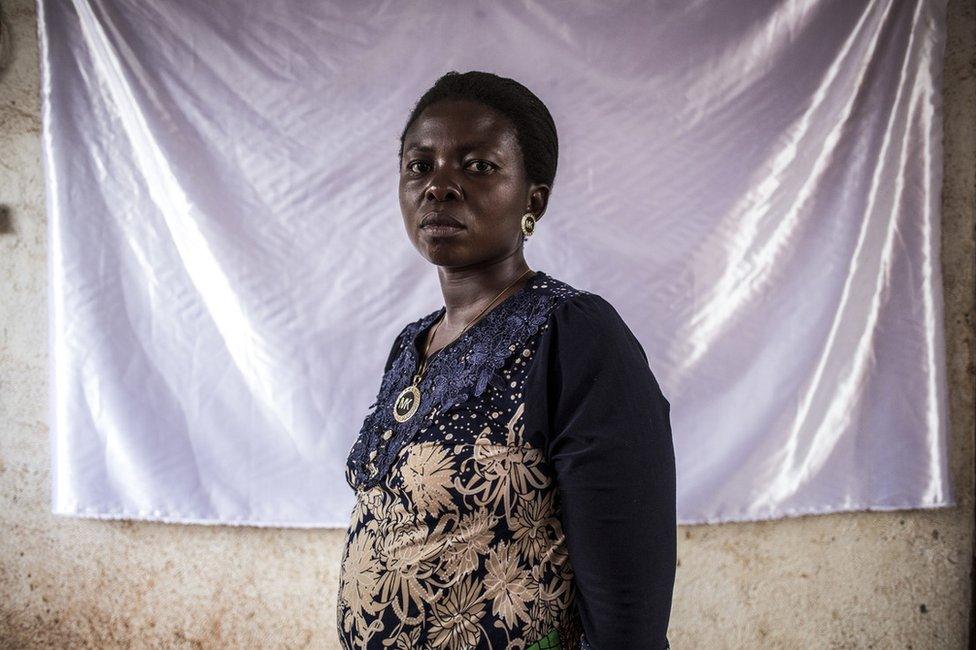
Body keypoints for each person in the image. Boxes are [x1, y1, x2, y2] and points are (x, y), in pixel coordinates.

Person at [337, 70, 676, 650]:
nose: (439, 186)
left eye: (478, 166)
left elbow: (629, 602)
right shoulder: (412, 344)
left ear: (532, 200)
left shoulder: (573, 336)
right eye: (420, 165)